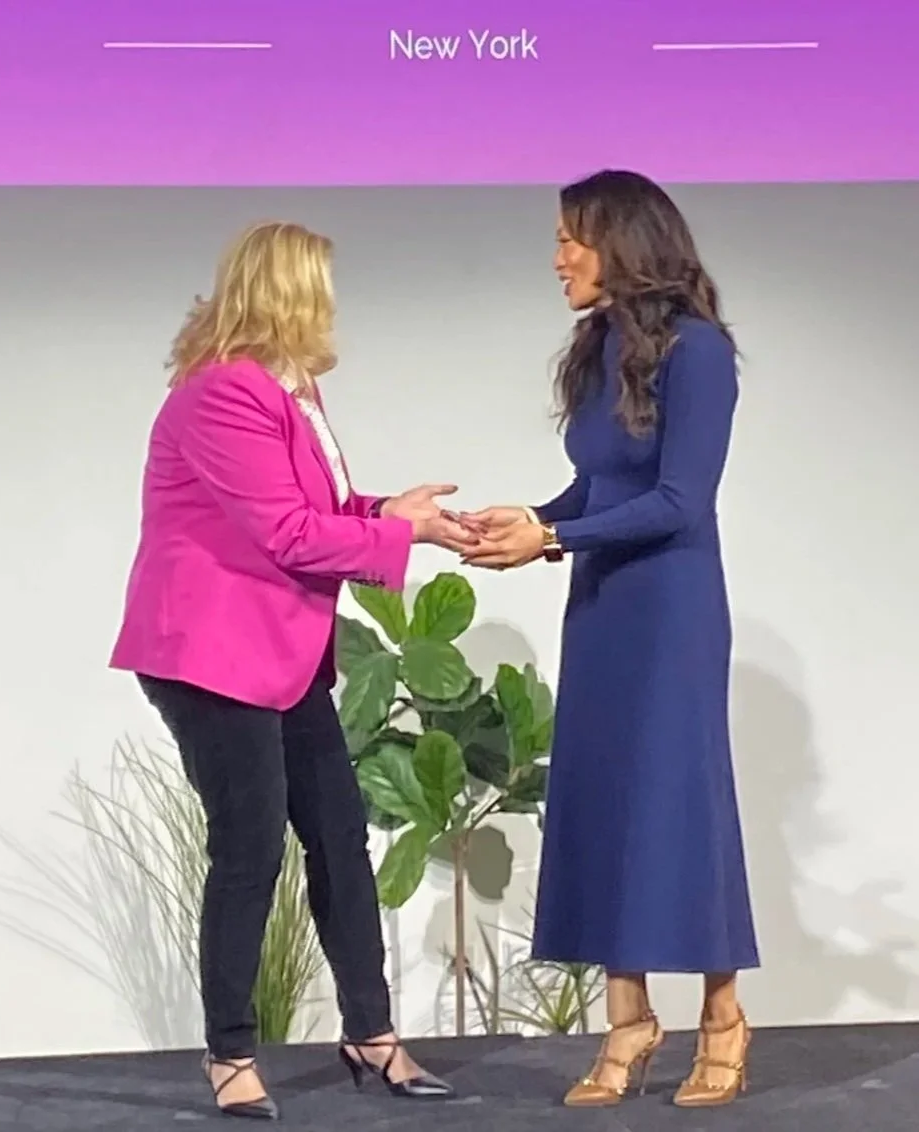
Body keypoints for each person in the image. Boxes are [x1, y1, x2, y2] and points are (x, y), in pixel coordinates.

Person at [110, 222, 469, 1118]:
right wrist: (402, 537)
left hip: (279, 651)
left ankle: (371, 1035)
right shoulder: (224, 392)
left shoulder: (289, 389)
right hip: (211, 653)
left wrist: (390, 508)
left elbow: (318, 507)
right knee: (251, 847)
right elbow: (288, 534)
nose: (332, 306)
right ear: (288, 294)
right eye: (322, 288)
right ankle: (229, 1052)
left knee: (339, 839)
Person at [461, 170, 759, 1108]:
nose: (558, 259)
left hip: (670, 610)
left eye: (571, 239)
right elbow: (600, 493)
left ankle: (722, 1017)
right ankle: (627, 1021)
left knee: (679, 802)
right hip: (601, 607)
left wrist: (554, 537)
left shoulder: (700, 353)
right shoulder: (597, 353)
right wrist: (535, 522)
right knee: (603, 803)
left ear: (624, 243)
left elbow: (679, 503)